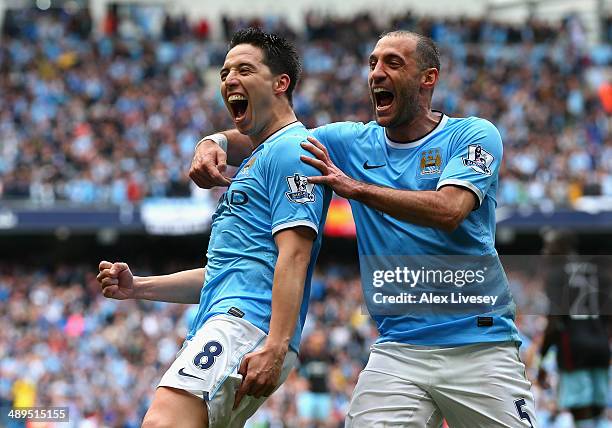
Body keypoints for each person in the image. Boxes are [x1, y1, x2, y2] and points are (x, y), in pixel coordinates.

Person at [189, 30, 538, 427]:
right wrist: (211, 140)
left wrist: (356, 188)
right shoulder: (353, 142)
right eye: (372, 63)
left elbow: (450, 209)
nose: (376, 73)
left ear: (428, 78)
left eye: (393, 62)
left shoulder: (472, 135)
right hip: (399, 350)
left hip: (479, 344)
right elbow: (278, 141)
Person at [97, 27, 331, 428]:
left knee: (161, 423)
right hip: (227, 318)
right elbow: (222, 274)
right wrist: (139, 288)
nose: (229, 80)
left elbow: (295, 254)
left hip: (247, 325)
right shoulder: (259, 158)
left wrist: (275, 345)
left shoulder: (293, 151)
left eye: (244, 69)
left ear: (281, 83)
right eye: (224, 73)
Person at [538, 230, 610, 428]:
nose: (545, 252)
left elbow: (553, 320)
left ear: (561, 247)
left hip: (574, 346)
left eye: (548, 247)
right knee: (598, 409)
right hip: (601, 346)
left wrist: (542, 357)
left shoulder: (557, 273)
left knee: (581, 410)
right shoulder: (595, 269)